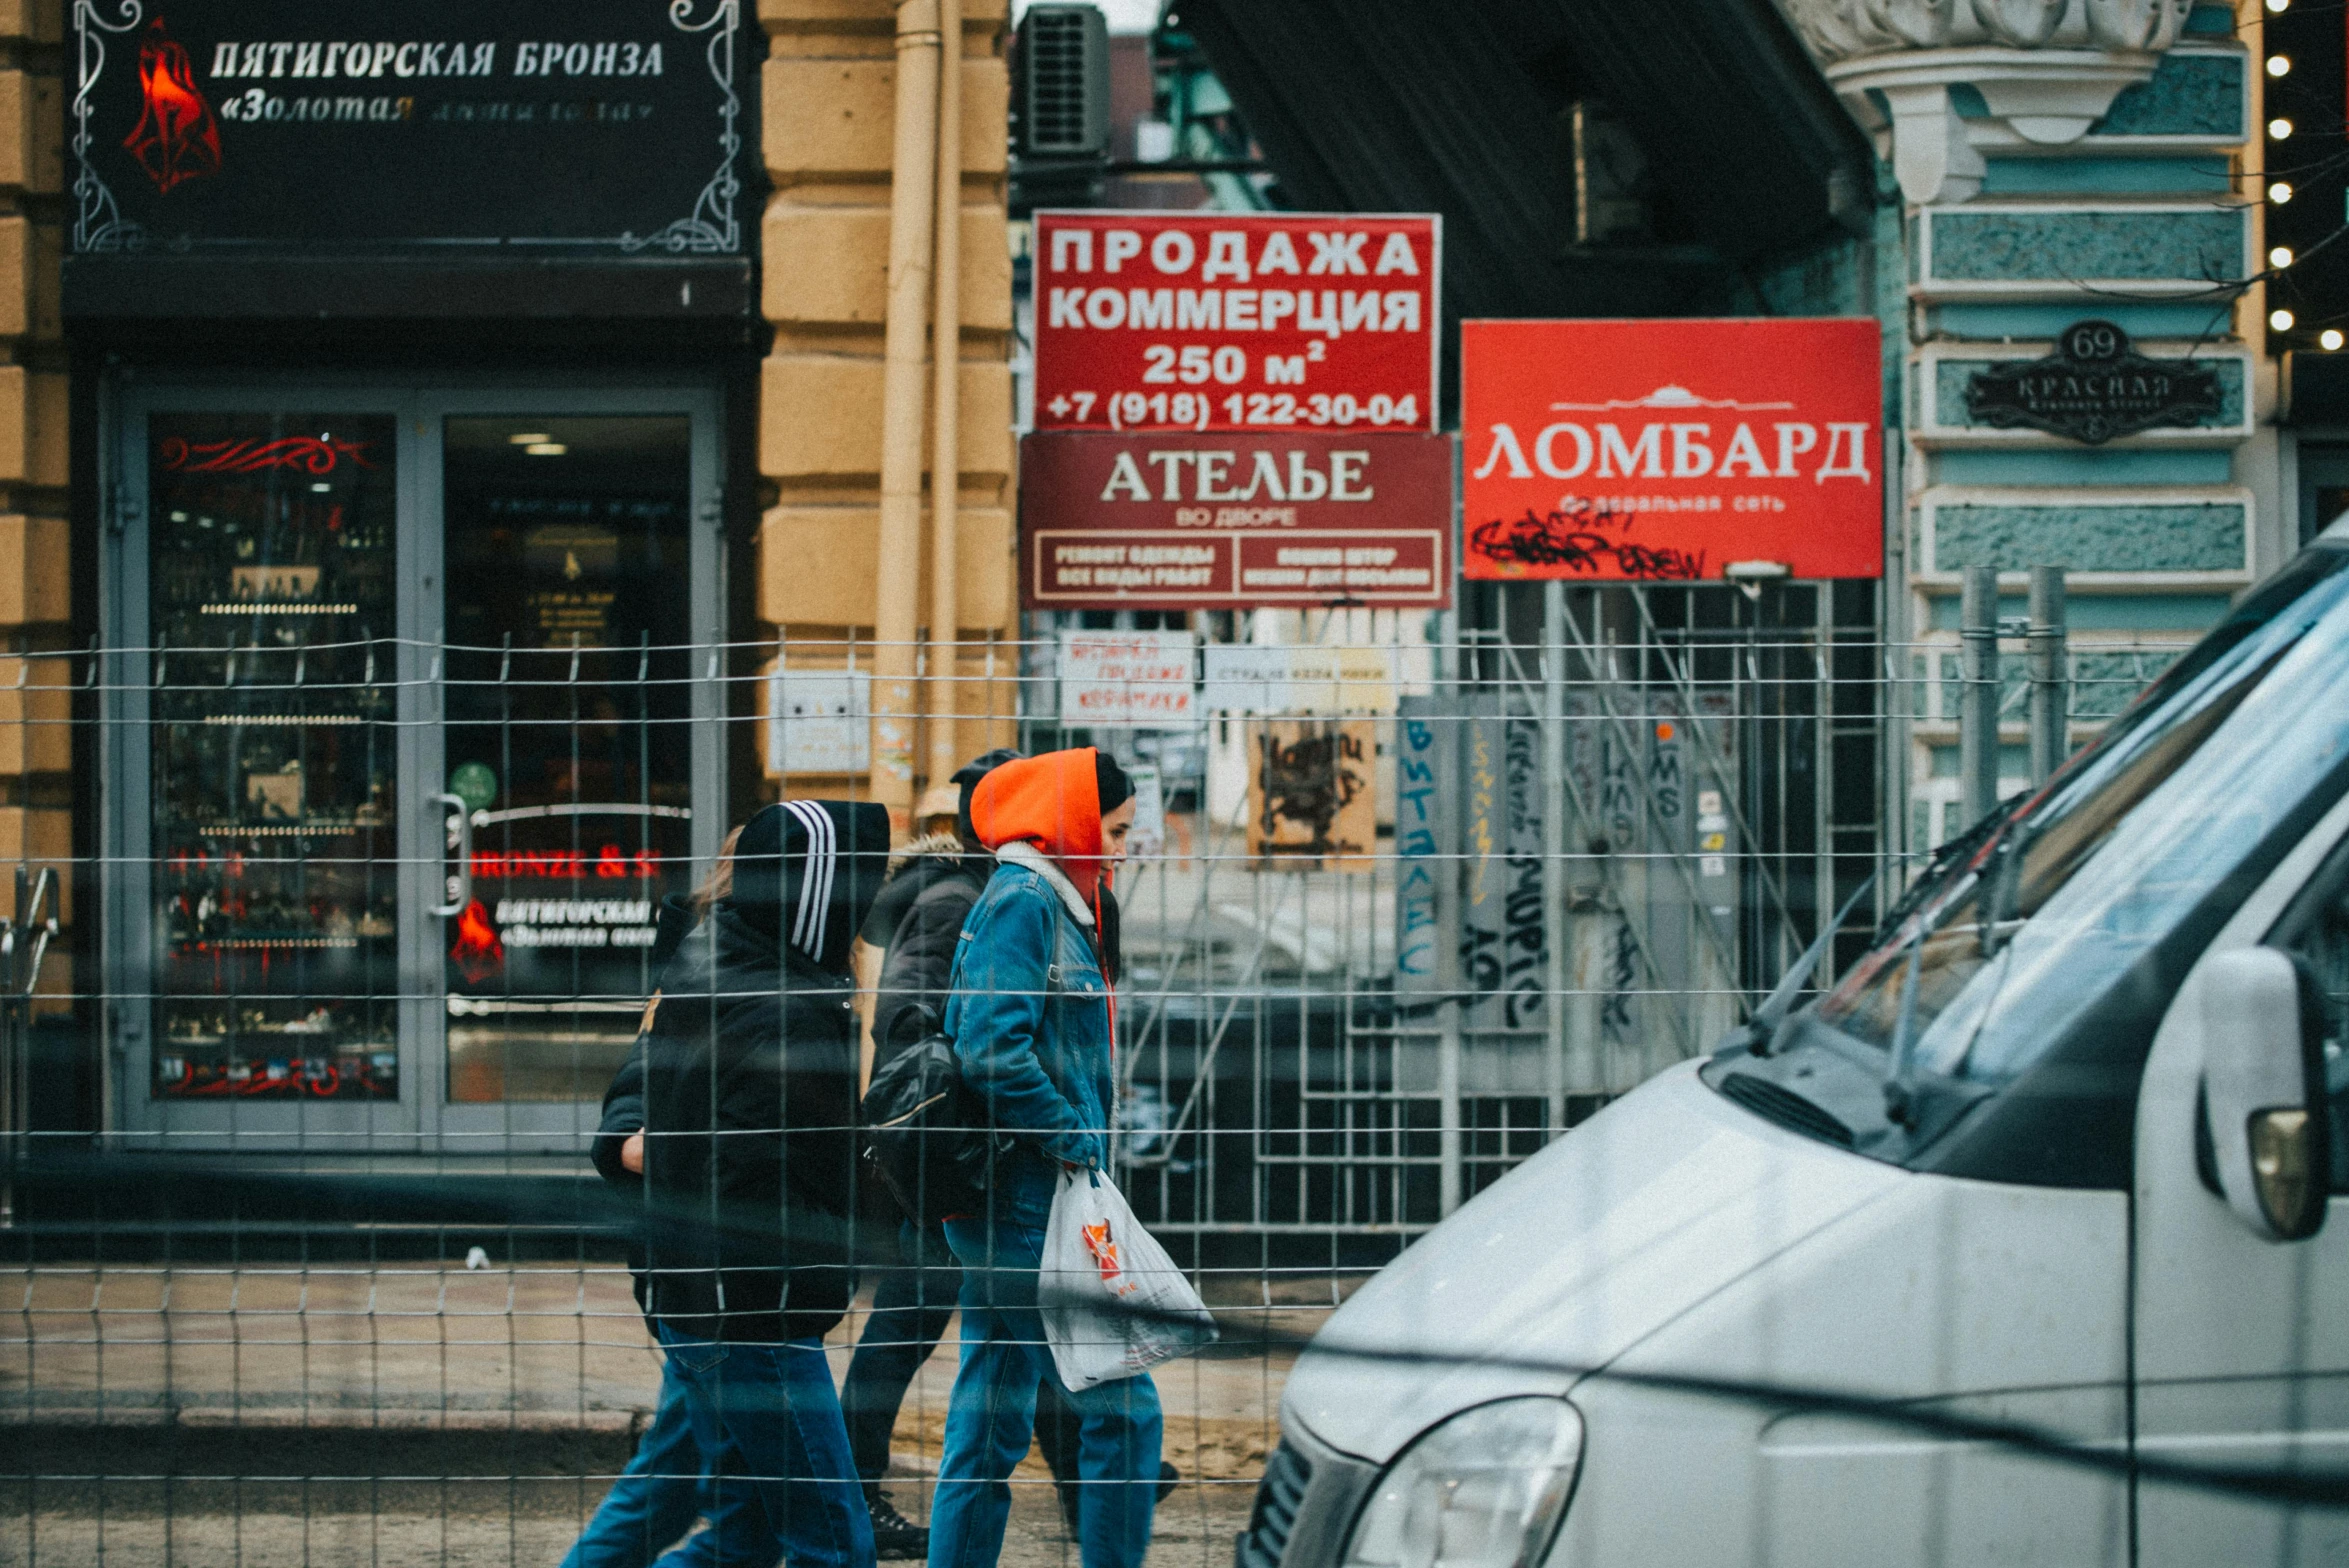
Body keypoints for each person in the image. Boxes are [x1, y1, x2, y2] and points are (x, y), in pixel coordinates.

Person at [636, 799, 893, 1568]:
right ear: (819, 893)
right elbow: (760, 1177)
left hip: (703, 1303)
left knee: (741, 1541)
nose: (867, 906)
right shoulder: (785, 1006)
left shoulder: (724, 955)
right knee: (836, 1544)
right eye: (860, 885)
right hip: (755, 1317)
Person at [926, 748, 1161, 1568]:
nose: (1126, 847)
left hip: (1023, 1196)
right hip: (1026, 1196)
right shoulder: (1024, 901)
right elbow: (990, 1048)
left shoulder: (1058, 901)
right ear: (1074, 823)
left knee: (989, 1416)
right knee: (1125, 1406)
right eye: (1118, 830)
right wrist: (1074, 1137)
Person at [563, 853, 779, 1568]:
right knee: (723, 1502)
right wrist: (701, 1156)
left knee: (686, 1481)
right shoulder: (700, 992)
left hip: (717, 1283)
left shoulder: (775, 991)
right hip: (702, 1280)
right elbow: (619, 1134)